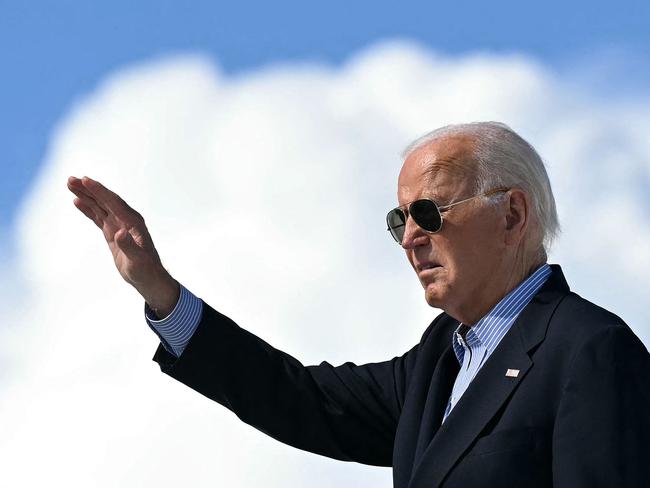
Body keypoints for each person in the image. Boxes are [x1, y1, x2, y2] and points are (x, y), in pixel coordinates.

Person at [67, 121, 650, 487]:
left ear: (513, 216)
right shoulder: (438, 360)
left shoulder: (589, 349)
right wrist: (160, 293)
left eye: (428, 213)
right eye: (400, 220)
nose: (410, 238)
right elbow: (298, 398)